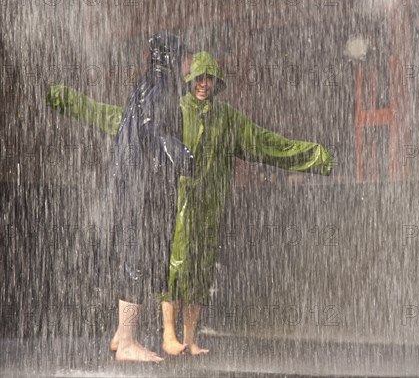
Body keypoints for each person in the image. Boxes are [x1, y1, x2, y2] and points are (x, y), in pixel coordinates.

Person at [46, 51, 334, 356]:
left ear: (216, 82)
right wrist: (67, 100)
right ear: (189, 80)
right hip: (176, 203)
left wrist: (314, 156)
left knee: (200, 271)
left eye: (208, 78)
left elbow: (267, 143)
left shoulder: (228, 119)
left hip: (210, 207)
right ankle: (168, 335)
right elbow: (118, 118)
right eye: (198, 78)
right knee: (174, 268)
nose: (203, 84)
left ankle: (190, 338)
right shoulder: (174, 111)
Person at [101, 31, 194, 362]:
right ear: (170, 58)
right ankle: (127, 341)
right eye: (184, 58)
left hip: (131, 183)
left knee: (133, 257)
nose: (188, 66)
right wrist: (182, 154)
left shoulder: (145, 86)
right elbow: (152, 129)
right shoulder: (160, 88)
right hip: (142, 185)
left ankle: (120, 335)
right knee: (137, 261)